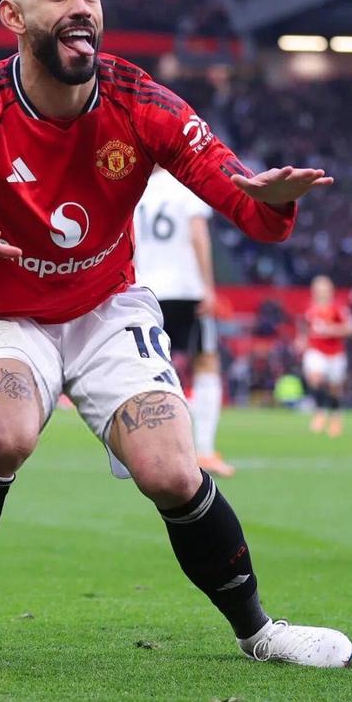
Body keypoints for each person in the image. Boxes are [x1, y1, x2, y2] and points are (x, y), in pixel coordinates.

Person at [0, 0, 352, 668]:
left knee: (173, 471)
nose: (82, 8)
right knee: (1, 433)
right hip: (4, 309)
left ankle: (261, 632)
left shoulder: (141, 99)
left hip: (109, 308)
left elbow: (246, 203)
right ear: (13, 15)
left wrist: (269, 198)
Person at [134, 168, 234, 477]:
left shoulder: (138, 187)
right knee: (206, 363)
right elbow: (198, 234)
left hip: (147, 290)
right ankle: (204, 450)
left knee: (149, 368)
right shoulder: (187, 186)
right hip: (186, 289)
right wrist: (209, 287)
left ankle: (146, 450)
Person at [301, 275, 352, 437]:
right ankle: (320, 411)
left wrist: (330, 330)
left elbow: (349, 328)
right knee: (314, 378)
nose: (320, 292)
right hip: (316, 350)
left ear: (330, 290)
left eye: (323, 288)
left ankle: (335, 417)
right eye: (317, 288)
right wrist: (301, 339)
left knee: (334, 388)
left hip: (335, 352)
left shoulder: (338, 308)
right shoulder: (310, 307)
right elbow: (306, 327)